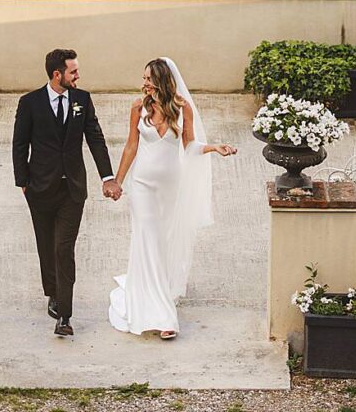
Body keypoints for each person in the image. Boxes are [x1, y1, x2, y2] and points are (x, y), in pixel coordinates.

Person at [107, 57, 237, 340]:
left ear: (162, 80)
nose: (144, 84)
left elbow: (189, 146)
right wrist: (117, 180)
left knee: (162, 244)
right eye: (143, 78)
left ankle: (150, 293)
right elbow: (131, 145)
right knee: (149, 240)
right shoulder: (138, 108)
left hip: (170, 188)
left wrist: (214, 147)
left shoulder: (181, 108)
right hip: (142, 185)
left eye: (149, 79)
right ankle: (164, 316)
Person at [12, 47, 120, 338]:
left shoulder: (82, 100)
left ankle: (64, 315)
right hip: (40, 188)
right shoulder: (30, 103)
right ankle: (53, 292)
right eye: (73, 71)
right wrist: (23, 181)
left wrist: (107, 176)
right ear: (57, 74)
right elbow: (20, 144)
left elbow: (95, 138)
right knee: (46, 246)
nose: (78, 75)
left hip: (72, 189)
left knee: (63, 248)